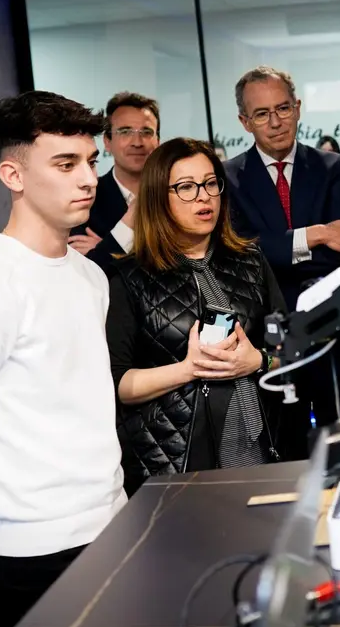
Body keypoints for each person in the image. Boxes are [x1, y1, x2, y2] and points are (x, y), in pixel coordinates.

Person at [0, 92, 126, 627]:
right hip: (28, 553)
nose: (87, 179)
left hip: (112, 522)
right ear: (12, 174)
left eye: (90, 161)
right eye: (65, 165)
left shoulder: (89, 278)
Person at [107, 138, 285, 493]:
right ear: (159, 197)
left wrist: (260, 361)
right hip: (172, 462)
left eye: (210, 183)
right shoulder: (129, 278)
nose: (203, 197)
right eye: (186, 187)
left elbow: (289, 353)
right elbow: (119, 385)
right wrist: (188, 369)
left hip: (259, 449)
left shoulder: (251, 262)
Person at [223, 66, 340, 449]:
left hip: (332, 330)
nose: (276, 122)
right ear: (244, 122)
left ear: (298, 108)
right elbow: (241, 253)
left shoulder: (333, 167)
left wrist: (276, 249)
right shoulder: (228, 178)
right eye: (262, 114)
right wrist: (316, 233)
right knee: (288, 446)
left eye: (283, 108)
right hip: (269, 336)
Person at [72, 92, 160, 268]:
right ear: (107, 141)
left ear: (157, 140)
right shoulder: (86, 199)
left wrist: (105, 248)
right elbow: (88, 269)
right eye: (125, 131)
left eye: (146, 132)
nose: (137, 142)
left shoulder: (176, 195)